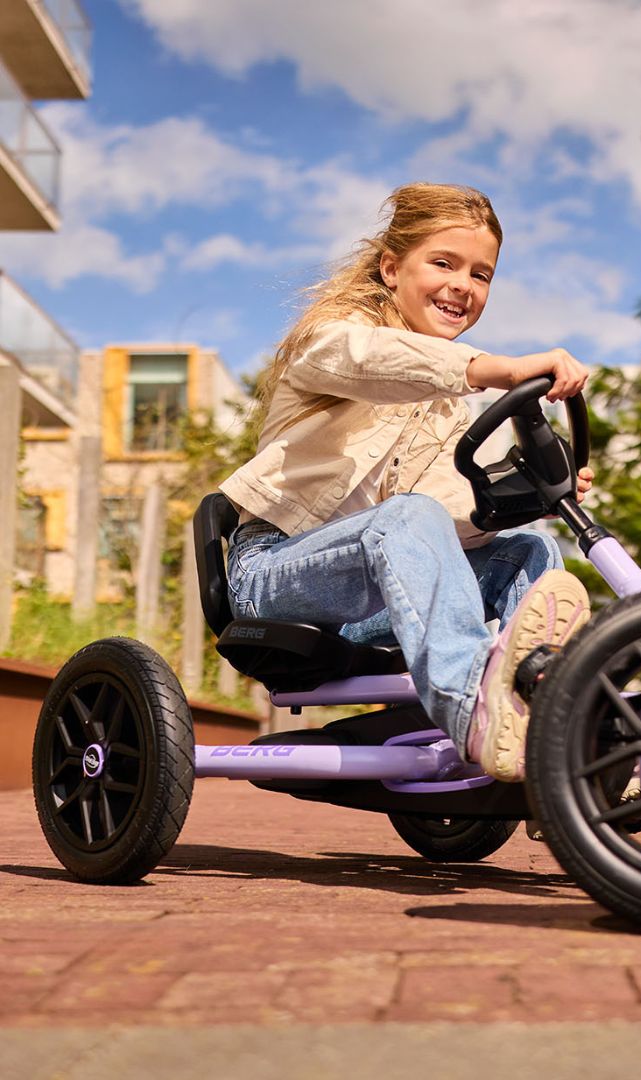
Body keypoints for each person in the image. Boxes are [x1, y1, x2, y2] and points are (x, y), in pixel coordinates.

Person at [220, 182, 593, 782]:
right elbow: (369, 359)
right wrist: (493, 369)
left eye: (480, 274)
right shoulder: (331, 340)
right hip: (273, 575)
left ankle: (552, 722)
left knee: (529, 549)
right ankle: (473, 710)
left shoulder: (449, 412)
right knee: (408, 516)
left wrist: (527, 501)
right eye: (443, 263)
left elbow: (442, 526)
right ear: (392, 269)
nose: (463, 285)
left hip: (375, 599)